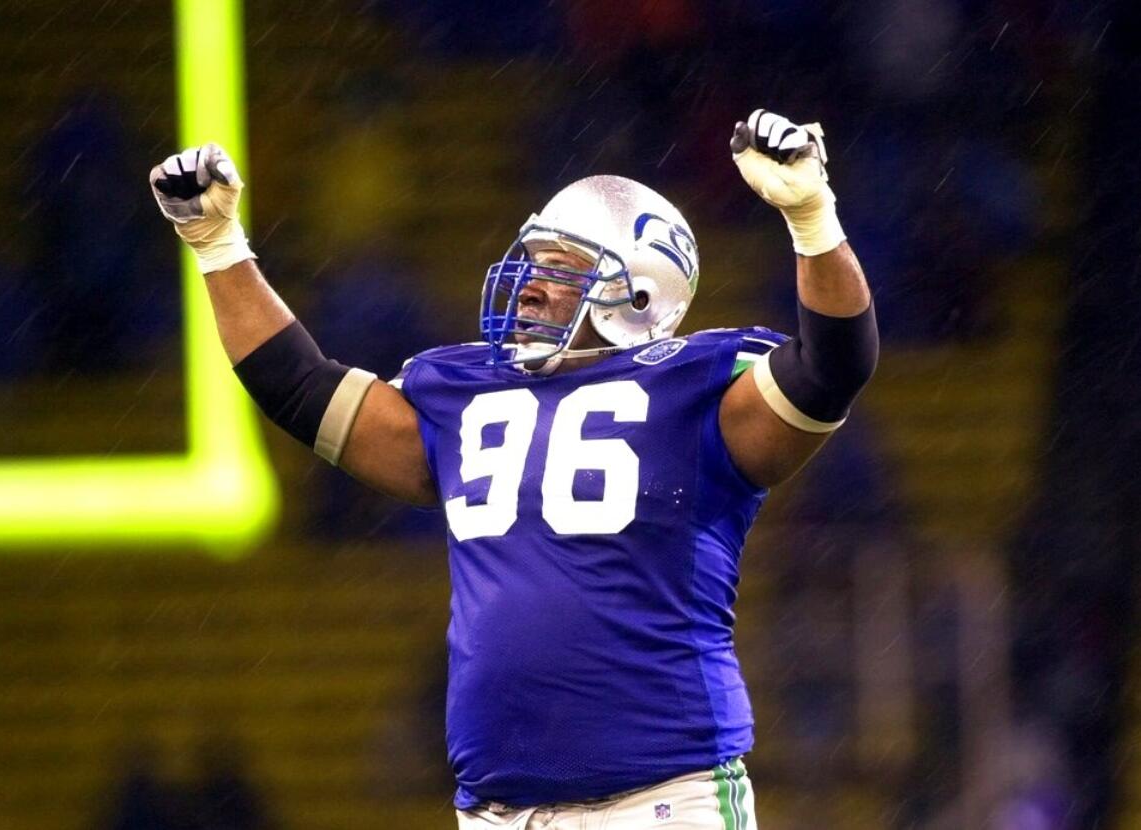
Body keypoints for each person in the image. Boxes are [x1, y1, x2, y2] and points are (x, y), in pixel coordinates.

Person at [148, 108, 878, 829]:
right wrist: (216, 244)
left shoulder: (694, 383)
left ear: (640, 297)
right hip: (502, 812)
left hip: (664, 800)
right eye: (533, 261)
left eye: (562, 270)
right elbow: (303, 390)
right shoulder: (463, 391)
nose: (529, 283)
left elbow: (833, 365)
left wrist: (812, 217)